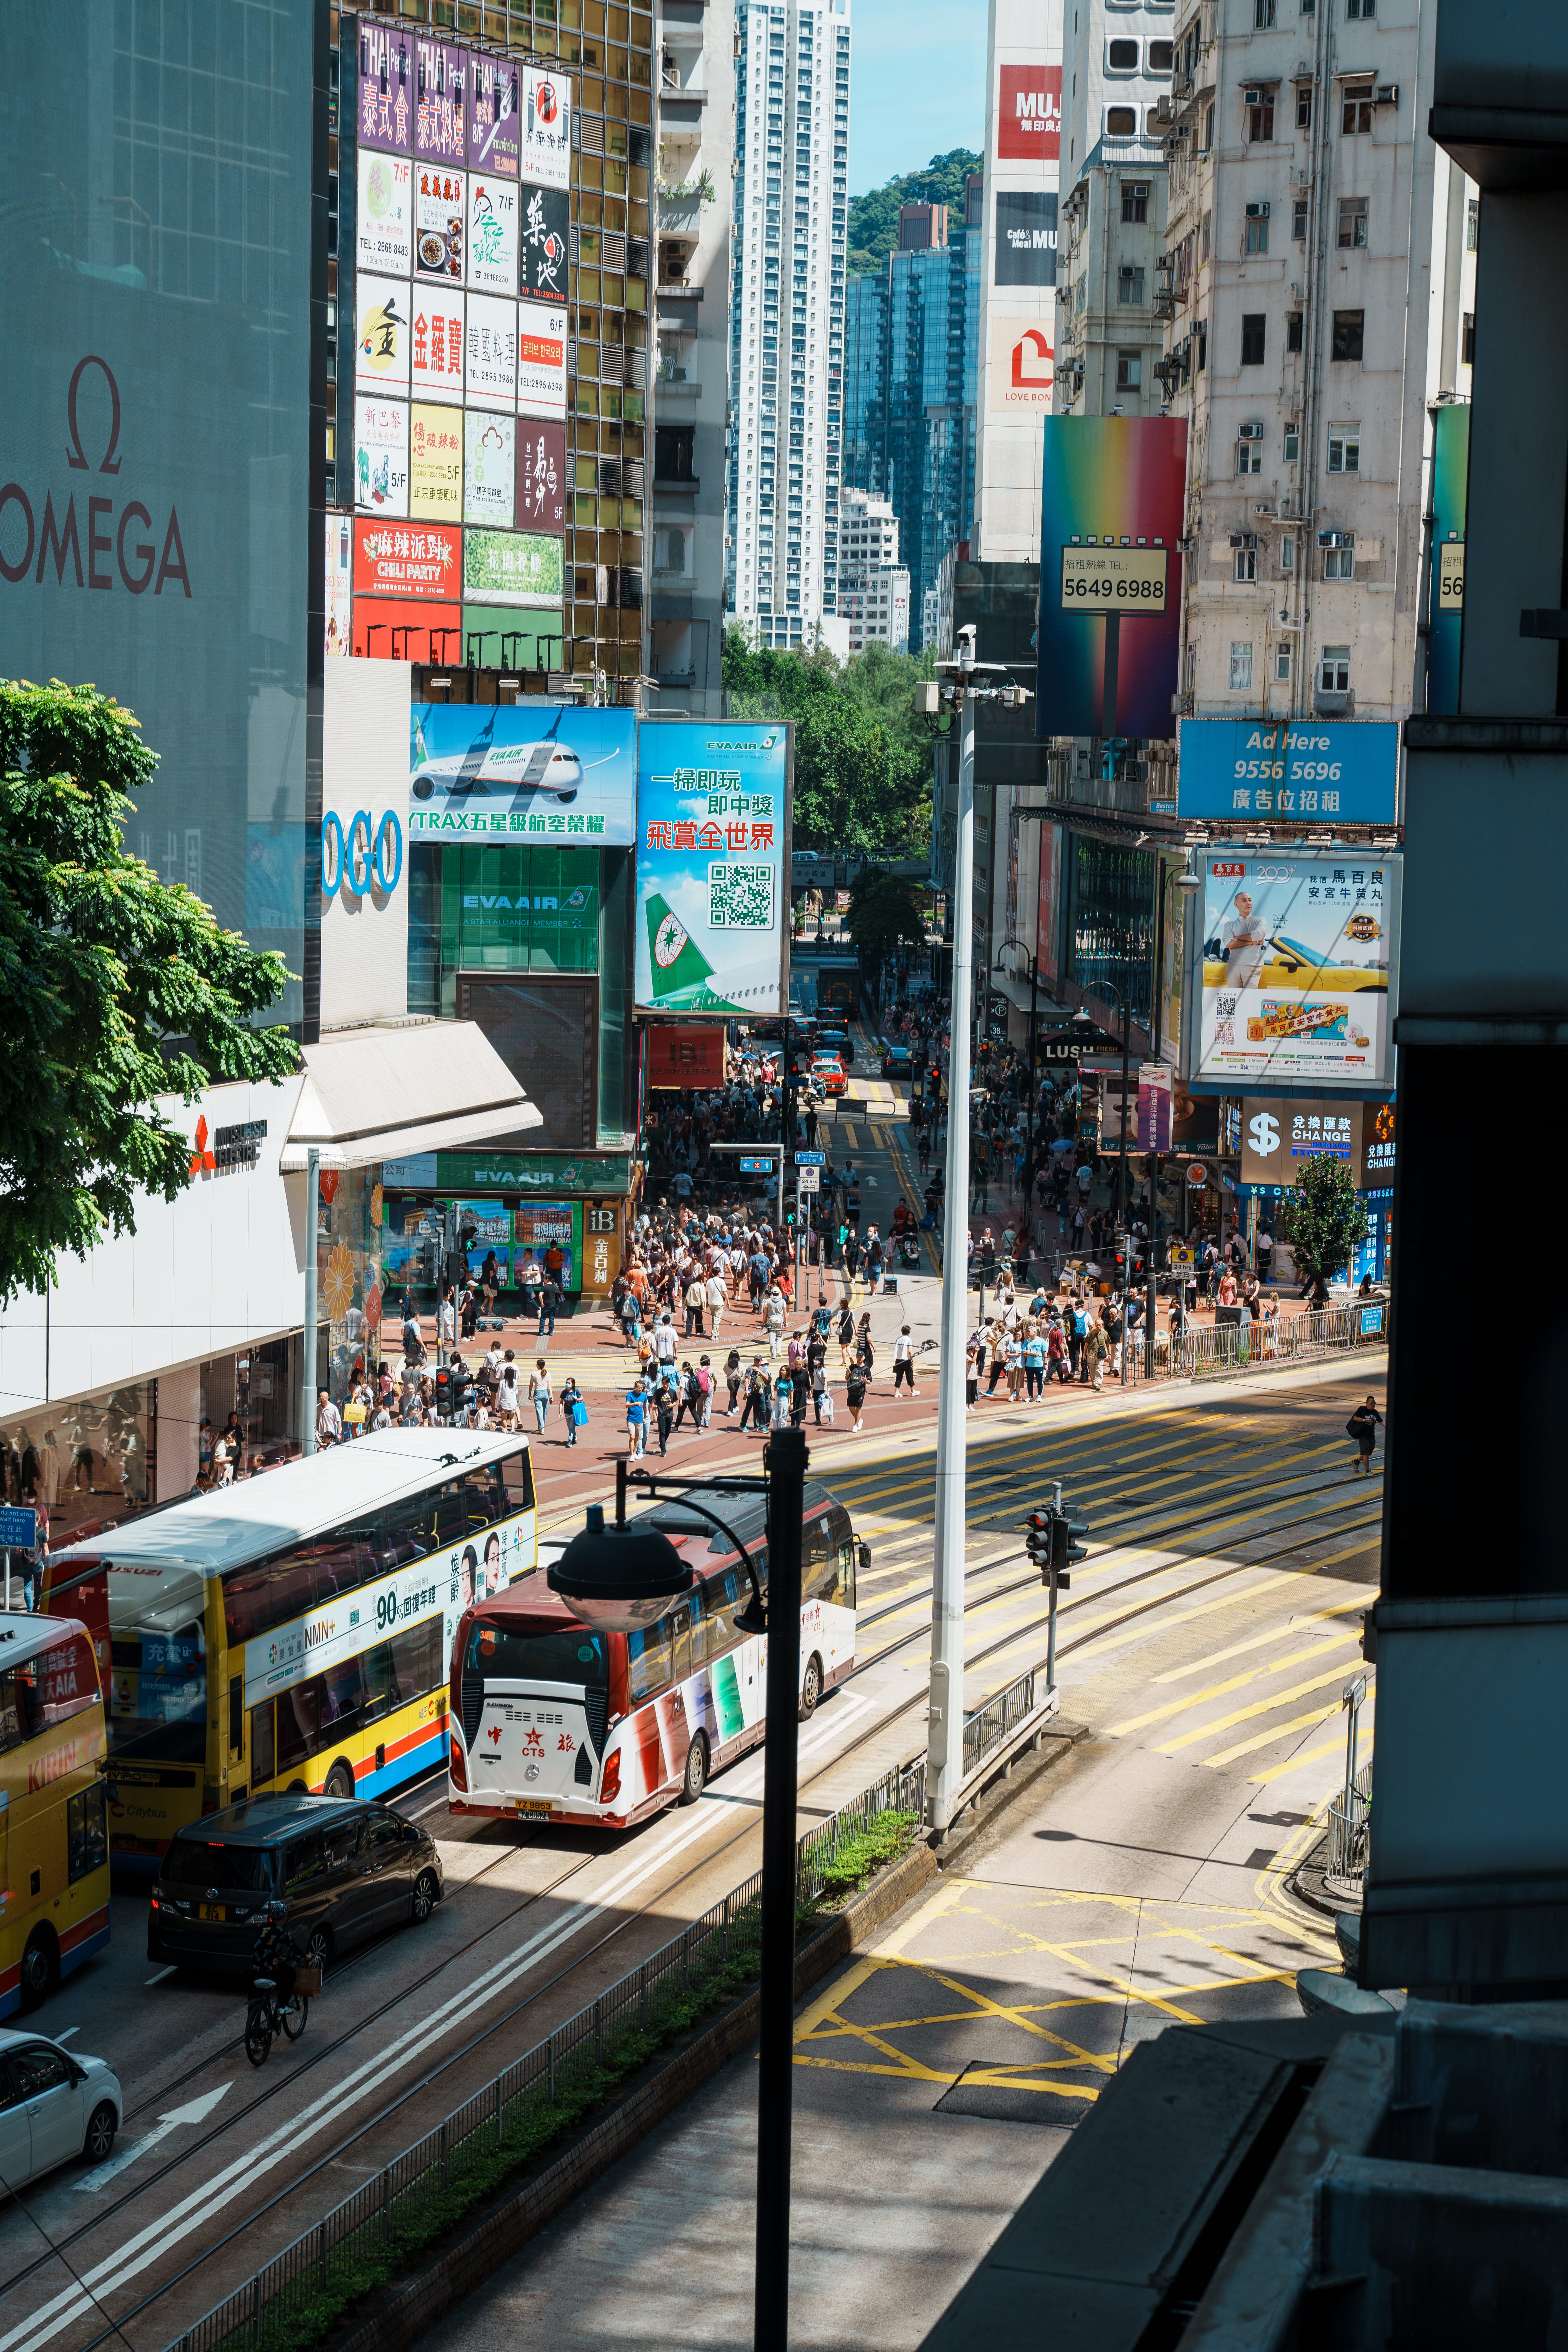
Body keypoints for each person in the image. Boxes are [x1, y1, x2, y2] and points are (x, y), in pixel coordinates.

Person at [1347, 1395, 1383, 1475]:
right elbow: (1355, 1418)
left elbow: (1381, 1421)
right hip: (1363, 1436)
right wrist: (1365, 1420)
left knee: (1368, 1453)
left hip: (1371, 1436)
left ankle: (1356, 1462)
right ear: (1367, 1403)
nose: (1373, 1405)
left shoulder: (1375, 1413)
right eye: (1372, 1403)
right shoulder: (1362, 1409)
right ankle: (1367, 1471)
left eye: (1375, 1403)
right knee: (1366, 1454)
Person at [624, 1377, 648, 1458]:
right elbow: (627, 1405)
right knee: (632, 1437)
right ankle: (631, 1455)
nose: (640, 1390)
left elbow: (645, 1407)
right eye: (639, 1388)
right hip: (631, 1419)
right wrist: (635, 1404)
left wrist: (645, 1417)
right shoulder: (630, 1395)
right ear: (635, 1387)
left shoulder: (644, 1395)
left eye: (641, 1388)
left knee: (638, 1437)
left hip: (640, 1419)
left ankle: (635, 1453)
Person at [891, 1324, 918, 1398]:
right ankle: (912, 1391)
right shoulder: (909, 1340)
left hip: (899, 1360)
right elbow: (910, 1351)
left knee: (899, 1376)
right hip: (907, 1360)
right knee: (910, 1375)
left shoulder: (898, 1339)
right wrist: (913, 1360)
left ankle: (897, 1392)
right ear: (909, 1332)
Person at [559, 1375, 583, 1448]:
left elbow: (582, 1398)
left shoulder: (576, 1392)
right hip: (567, 1412)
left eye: (569, 1383)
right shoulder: (564, 1393)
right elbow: (561, 1402)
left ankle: (569, 1441)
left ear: (573, 1384)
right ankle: (574, 1437)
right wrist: (560, 1412)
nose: (567, 1384)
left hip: (574, 1412)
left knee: (572, 1427)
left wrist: (577, 1399)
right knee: (569, 1427)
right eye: (567, 1383)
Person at [844, 1355, 867, 1433]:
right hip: (851, 1391)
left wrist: (866, 1381)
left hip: (861, 1392)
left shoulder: (866, 1369)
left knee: (858, 1409)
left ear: (864, 1358)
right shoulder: (852, 1367)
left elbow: (870, 1381)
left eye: (861, 1357)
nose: (860, 1358)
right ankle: (859, 1420)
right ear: (857, 1357)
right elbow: (847, 1379)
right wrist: (848, 1374)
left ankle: (856, 1425)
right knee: (851, 1408)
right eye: (858, 1356)